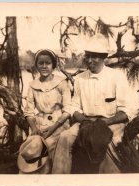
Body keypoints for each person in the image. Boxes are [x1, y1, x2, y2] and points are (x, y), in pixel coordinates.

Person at [52, 33, 132, 174]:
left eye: (94, 56)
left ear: (103, 58)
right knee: (65, 137)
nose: (90, 60)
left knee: (106, 141)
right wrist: (85, 121)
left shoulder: (116, 77)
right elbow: (74, 107)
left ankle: (110, 184)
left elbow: (125, 111)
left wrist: (104, 123)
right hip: (86, 122)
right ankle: (59, 181)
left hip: (111, 122)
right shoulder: (80, 79)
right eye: (88, 56)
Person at [21, 49, 72, 173]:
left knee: (49, 145)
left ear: (53, 65)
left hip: (59, 124)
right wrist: (33, 128)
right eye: (41, 63)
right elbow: (29, 111)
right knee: (32, 147)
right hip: (38, 124)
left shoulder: (61, 82)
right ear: (36, 65)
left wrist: (54, 127)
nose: (44, 66)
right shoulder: (33, 85)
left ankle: (55, 178)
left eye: (48, 63)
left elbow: (68, 109)